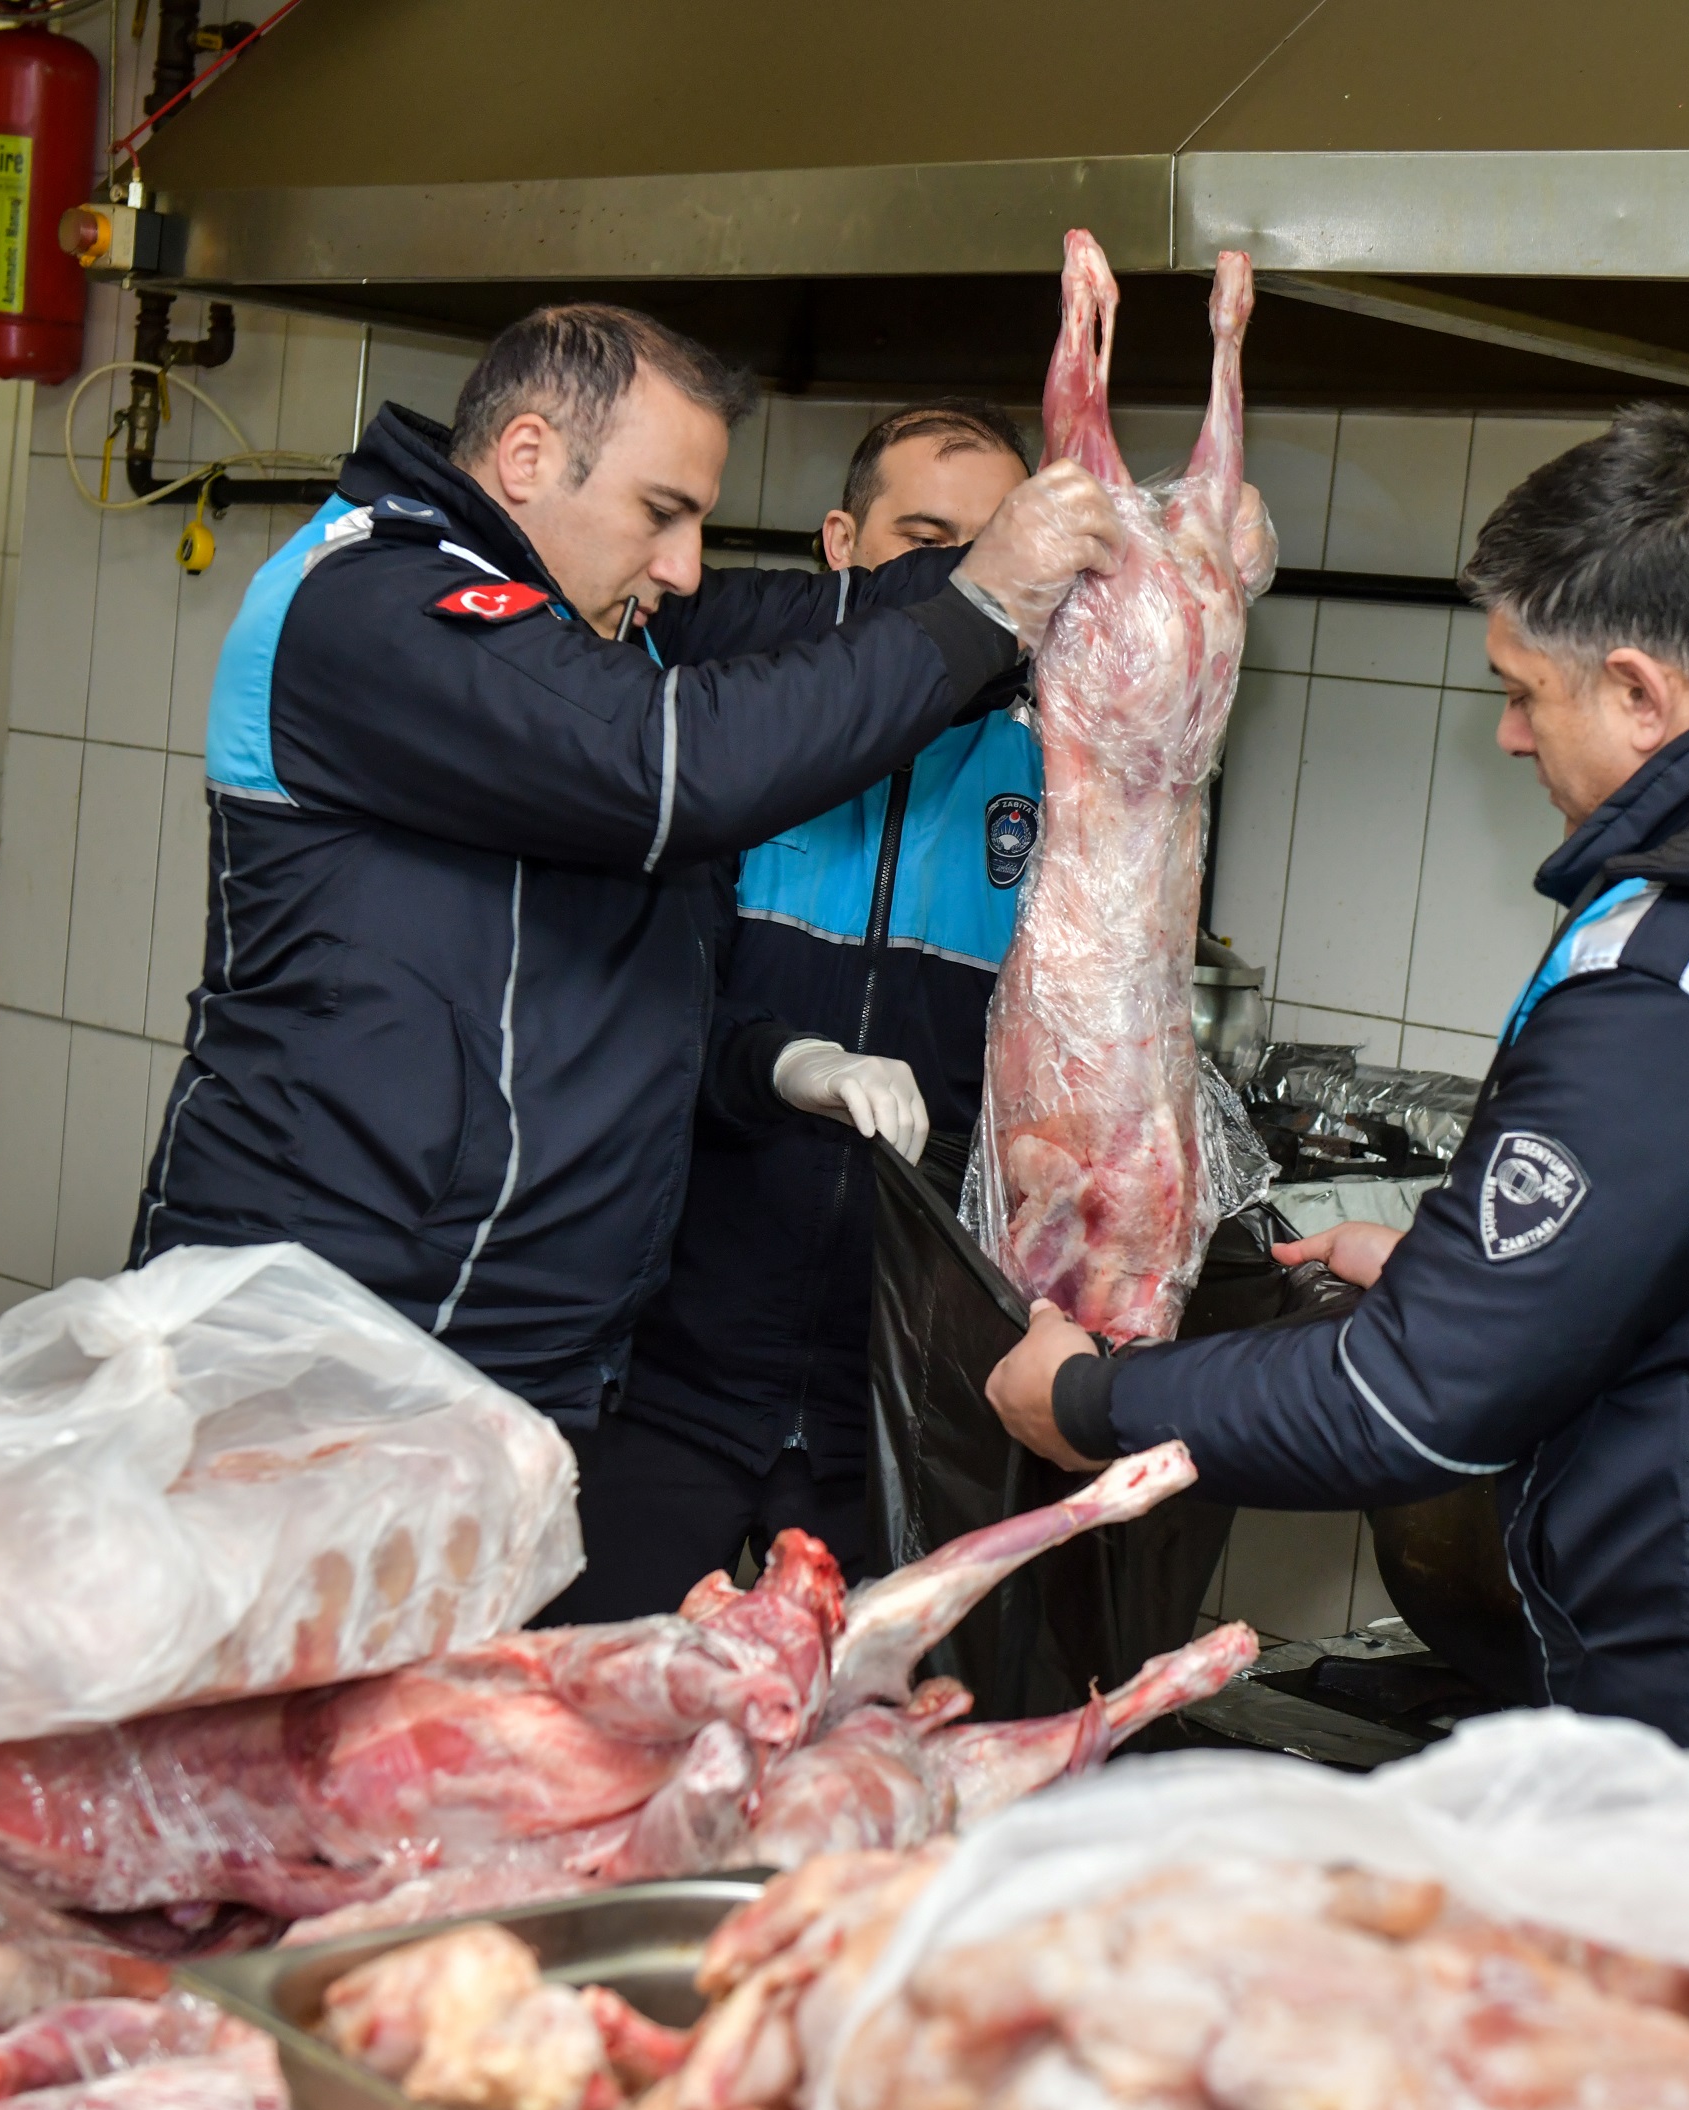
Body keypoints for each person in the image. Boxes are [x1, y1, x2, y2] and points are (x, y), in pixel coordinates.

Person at [986, 403, 1689, 1817]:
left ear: (1643, 695)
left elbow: (1405, 1407)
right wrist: (1467, 1277)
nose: (1508, 732)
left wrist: (1091, 1403)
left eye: (1525, 690)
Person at [133, 307, 1120, 1444]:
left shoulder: (600, 619)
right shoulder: (375, 606)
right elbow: (671, 764)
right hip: (328, 1342)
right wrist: (985, 604)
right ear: (528, 457)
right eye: (662, 514)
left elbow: (847, 619)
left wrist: (1126, 544)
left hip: (523, 1361)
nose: (684, 566)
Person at [551, 404, 1045, 1620]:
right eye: (928, 542)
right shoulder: (721, 738)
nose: (973, 586)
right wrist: (784, 1062)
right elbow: (630, 1016)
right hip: (664, 1387)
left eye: (1002, 551)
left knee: (846, 1780)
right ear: (842, 544)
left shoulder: (1052, 778)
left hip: (887, 1419)